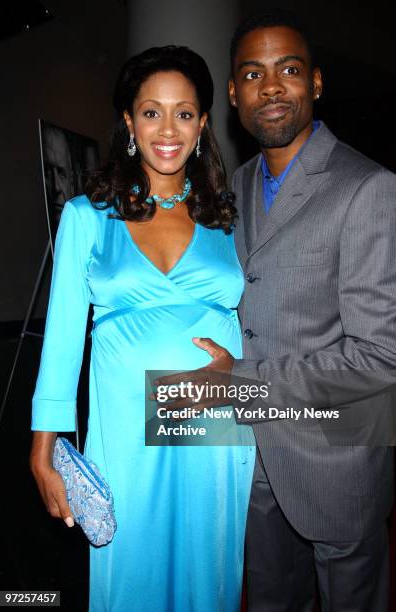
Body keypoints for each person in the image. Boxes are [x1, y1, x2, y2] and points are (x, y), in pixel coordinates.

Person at [158, 10, 396, 611]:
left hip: (336, 456)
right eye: (253, 73)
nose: (271, 87)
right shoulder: (227, 190)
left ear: (315, 83)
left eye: (288, 70)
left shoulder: (369, 188)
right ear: (233, 93)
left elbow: (380, 360)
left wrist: (237, 380)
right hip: (249, 460)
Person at [30, 46, 255, 612]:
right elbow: (60, 342)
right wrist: (43, 449)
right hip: (126, 427)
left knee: (209, 577)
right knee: (131, 574)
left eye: (184, 112)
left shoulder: (226, 217)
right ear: (129, 122)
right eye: (151, 111)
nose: (168, 128)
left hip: (211, 419)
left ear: (203, 124)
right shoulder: (86, 216)